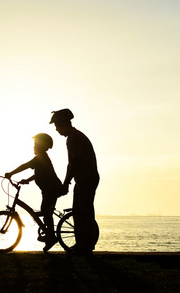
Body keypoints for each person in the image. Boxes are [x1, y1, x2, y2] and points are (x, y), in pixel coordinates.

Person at [50, 109, 100, 255]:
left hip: (87, 179)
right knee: (78, 212)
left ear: (64, 123)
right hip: (81, 179)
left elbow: (75, 162)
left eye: (57, 126)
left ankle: (87, 245)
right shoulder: (72, 137)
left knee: (85, 212)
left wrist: (66, 182)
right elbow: (71, 163)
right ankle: (81, 244)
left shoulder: (75, 138)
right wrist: (66, 181)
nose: (57, 129)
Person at [4, 133, 63, 252]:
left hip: (51, 189)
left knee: (46, 210)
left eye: (36, 144)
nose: (34, 146)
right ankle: (49, 237)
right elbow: (39, 172)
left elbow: (25, 166)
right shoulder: (42, 158)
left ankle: (51, 236)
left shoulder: (40, 157)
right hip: (49, 189)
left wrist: (11, 173)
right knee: (46, 211)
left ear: (41, 146)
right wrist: (28, 180)